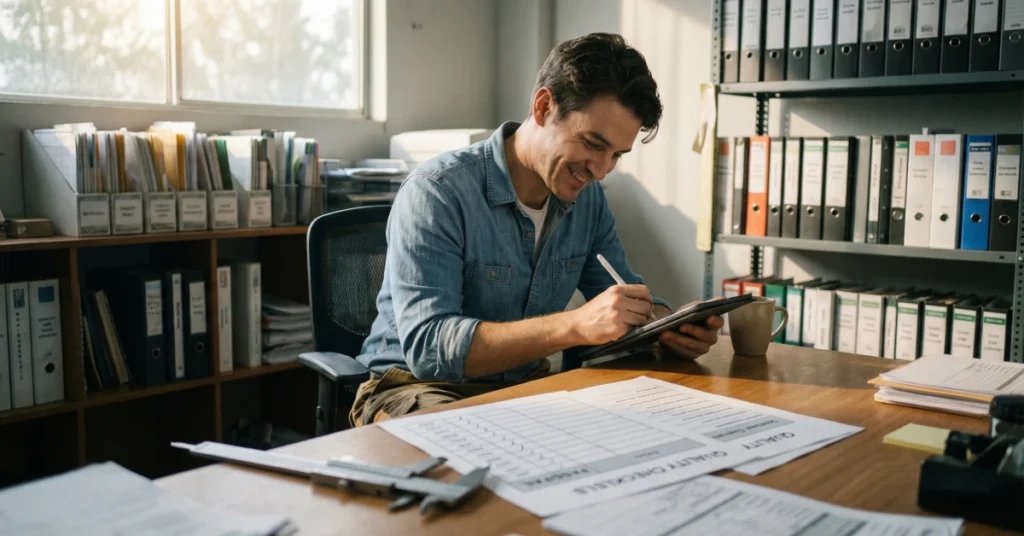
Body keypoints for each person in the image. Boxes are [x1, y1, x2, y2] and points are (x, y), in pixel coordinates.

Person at [350, 32, 723, 426]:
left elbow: (622, 293)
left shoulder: (588, 202)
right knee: (477, 449)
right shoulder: (438, 191)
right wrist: (574, 325)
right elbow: (429, 350)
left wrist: (666, 328)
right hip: (414, 389)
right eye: (593, 143)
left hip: (524, 388)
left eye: (616, 155)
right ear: (544, 106)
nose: (600, 170)